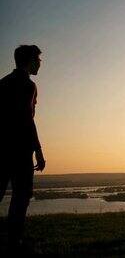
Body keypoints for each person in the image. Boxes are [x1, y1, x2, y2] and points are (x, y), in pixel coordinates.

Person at [0, 45, 46, 248]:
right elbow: (28, 119)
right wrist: (38, 150)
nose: (40, 64)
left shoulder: (2, 83)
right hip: (20, 150)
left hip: (0, 149)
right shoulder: (28, 86)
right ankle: (14, 241)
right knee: (21, 196)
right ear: (29, 60)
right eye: (38, 60)